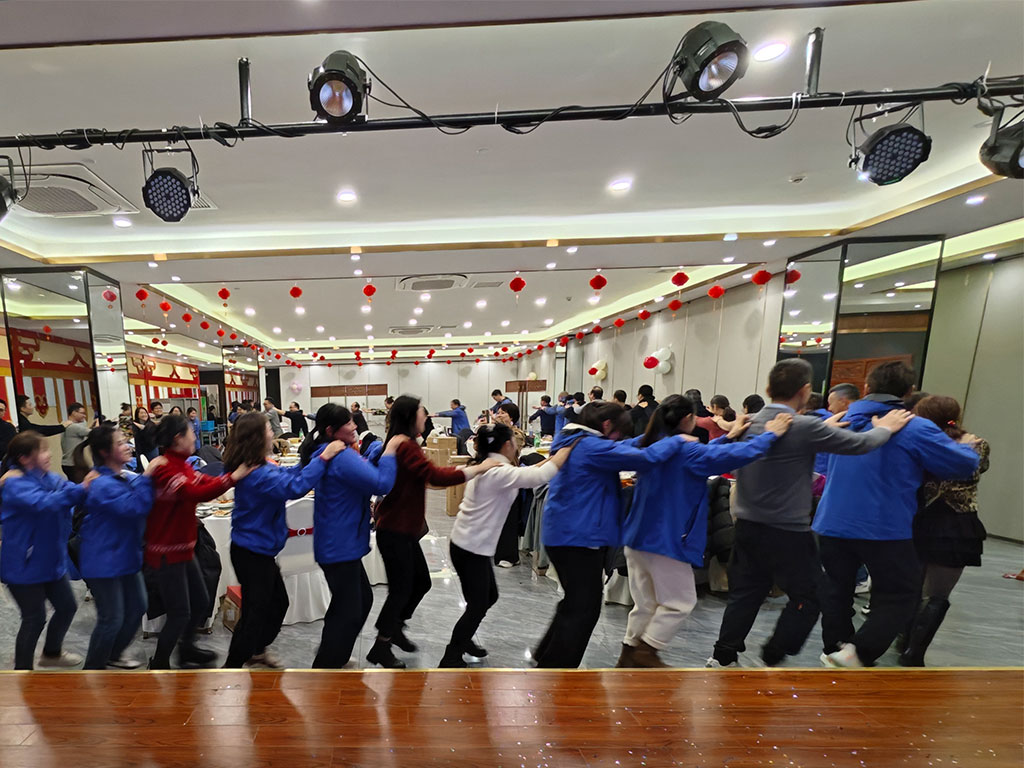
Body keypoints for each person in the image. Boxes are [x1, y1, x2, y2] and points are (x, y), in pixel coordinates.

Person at [708, 358, 912, 669]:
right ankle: (775, 652)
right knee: (811, 595)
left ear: (768, 389)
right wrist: (885, 427)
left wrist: (822, 429)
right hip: (786, 531)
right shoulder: (804, 427)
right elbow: (861, 444)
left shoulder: (750, 423)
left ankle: (723, 656)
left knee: (746, 593)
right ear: (805, 391)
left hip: (747, 525)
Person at [813, 361, 980, 669]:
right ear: (909, 392)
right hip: (883, 526)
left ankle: (835, 647)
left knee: (836, 588)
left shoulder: (841, 421)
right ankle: (858, 652)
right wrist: (966, 446)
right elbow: (963, 465)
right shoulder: (913, 427)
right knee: (901, 593)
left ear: (866, 388)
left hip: (832, 521)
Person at [619, 396, 793, 667]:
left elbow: (706, 456)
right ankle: (646, 651)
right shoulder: (687, 451)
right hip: (666, 540)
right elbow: (735, 456)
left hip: (636, 537)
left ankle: (629, 655)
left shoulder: (656, 444)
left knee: (646, 604)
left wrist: (729, 436)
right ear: (688, 419)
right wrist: (770, 435)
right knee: (680, 602)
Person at [533, 401, 691, 669]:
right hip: (578, 538)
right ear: (607, 425)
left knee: (575, 602)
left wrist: (650, 436)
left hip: (566, 534)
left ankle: (547, 657)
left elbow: (620, 447)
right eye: (619, 431)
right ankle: (557, 670)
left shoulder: (576, 439)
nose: (619, 437)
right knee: (584, 609)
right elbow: (646, 459)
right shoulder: (591, 447)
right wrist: (677, 440)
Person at [369, 395, 499, 668]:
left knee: (420, 583)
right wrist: (478, 468)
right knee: (401, 590)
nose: (425, 416)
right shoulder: (405, 445)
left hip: (402, 530)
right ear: (410, 416)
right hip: (394, 530)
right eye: (421, 412)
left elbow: (426, 477)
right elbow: (435, 476)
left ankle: (395, 627)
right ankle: (382, 644)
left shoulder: (405, 443)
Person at [440, 424, 573, 667]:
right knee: (479, 604)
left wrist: (554, 456)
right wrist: (570, 447)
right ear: (507, 445)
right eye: (514, 441)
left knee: (489, 596)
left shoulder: (492, 466)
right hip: (470, 548)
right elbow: (539, 476)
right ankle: (451, 656)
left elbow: (531, 470)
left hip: (470, 546)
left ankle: (464, 638)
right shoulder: (498, 472)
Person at [222, 411, 346, 669]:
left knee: (277, 604)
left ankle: (256, 651)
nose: (273, 432)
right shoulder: (257, 473)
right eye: (268, 428)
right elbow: (294, 487)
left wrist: (308, 458)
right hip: (251, 553)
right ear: (258, 437)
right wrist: (323, 457)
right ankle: (231, 667)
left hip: (260, 551)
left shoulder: (261, 466)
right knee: (255, 613)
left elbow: (289, 475)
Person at [145, 414, 255, 669]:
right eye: (191, 432)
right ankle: (159, 662)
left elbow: (201, 480)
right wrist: (233, 477)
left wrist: (231, 473)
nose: (195, 437)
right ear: (178, 438)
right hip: (167, 552)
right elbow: (195, 491)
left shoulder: (180, 464)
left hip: (184, 548)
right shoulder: (164, 469)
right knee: (180, 612)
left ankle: (187, 649)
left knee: (200, 600)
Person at [300, 404, 405, 668]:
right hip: (339, 544)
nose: (355, 426)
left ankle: (335, 655)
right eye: (349, 423)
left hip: (340, 542)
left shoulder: (339, 452)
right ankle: (326, 666)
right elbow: (381, 483)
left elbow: (364, 472)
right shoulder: (341, 456)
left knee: (358, 602)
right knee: (348, 610)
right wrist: (390, 452)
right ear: (331, 430)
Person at [900, 395, 989, 667]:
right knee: (937, 594)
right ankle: (914, 653)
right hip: (957, 524)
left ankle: (903, 640)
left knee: (913, 587)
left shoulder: (918, 442)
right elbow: (978, 470)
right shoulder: (977, 443)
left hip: (918, 519)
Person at [0, 431, 89, 669]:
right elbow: (44, 504)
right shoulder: (14, 484)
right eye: (42, 450)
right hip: (23, 566)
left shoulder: (49, 478)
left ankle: (51, 653)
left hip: (50, 561)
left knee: (67, 607)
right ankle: (22, 672)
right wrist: (82, 488)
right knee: (34, 618)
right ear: (24, 458)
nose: (48, 454)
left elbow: (69, 491)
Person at [73, 423, 157, 670]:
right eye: (120, 443)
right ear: (105, 452)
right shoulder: (101, 484)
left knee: (138, 606)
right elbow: (135, 507)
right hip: (103, 560)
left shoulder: (121, 476)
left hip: (125, 555)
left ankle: (113, 653)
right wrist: (148, 477)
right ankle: (93, 670)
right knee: (111, 618)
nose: (127, 446)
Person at [60, 402, 91, 482]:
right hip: (73, 464)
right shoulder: (73, 427)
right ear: (74, 413)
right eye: (82, 413)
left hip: (67, 463)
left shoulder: (65, 424)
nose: (84, 416)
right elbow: (94, 433)